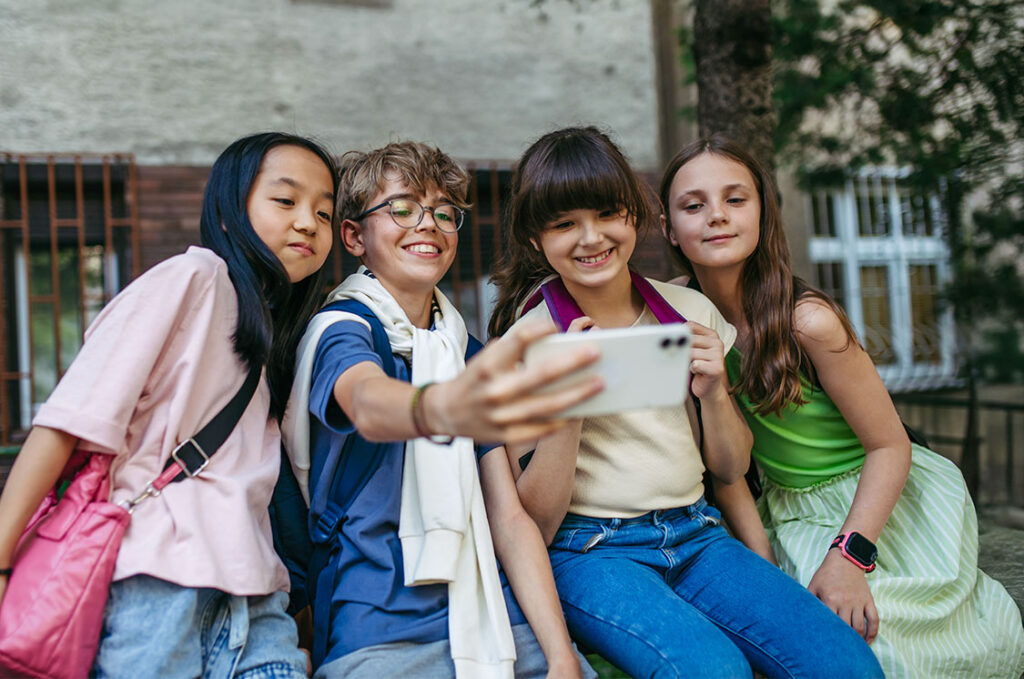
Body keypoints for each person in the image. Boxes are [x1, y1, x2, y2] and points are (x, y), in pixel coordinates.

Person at [488, 125, 884, 679]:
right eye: (563, 224)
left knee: (847, 665)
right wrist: (567, 406)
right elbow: (536, 520)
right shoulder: (519, 349)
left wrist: (715, 389)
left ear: (634, 215)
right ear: (536, 240)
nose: (590, 238)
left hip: (699, 535)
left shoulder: (688, 311)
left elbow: (730, 467)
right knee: (712, 670)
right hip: (591, 553)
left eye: (606, 214)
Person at [659, 133, 1024, 678]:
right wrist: (764, 566)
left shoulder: (808, 322)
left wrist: (850, 556)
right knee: (802, 637)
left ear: (763, 214)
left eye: (736, 199)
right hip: (787, 508)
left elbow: (888, 444)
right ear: (669, 229)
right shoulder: (678, 319)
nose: (717, 215)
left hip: (878, 501)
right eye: (694, 205)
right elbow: (728, 471)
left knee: (886, 646)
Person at [0, 132, 340, 678]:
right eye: (286, 200)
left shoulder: (272, 335)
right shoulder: (193, 278)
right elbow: (65, 425)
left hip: (257, 599)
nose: (308, 223)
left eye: (324, 213)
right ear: (229, 212)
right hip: (159, 583)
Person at [279, 140, 600, 679]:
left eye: (444, 213)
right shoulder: (343, 331)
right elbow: (366, 401)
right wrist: (443, 405)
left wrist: (562, 654)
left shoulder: (461, 347)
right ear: (354, 235)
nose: (428, 224)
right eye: (402, 208)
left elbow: (511, 517)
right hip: (377, 628)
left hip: (495, 619)